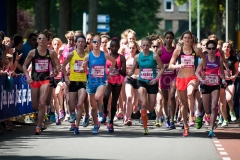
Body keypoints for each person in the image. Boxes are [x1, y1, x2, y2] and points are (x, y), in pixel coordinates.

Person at [169, 31, 206, 137]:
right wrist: (178, 65)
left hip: (192, 77)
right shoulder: (178, 50)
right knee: (183, 105)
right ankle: (185, 126)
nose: (187, 40)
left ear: (191, 39)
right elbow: (170, 65)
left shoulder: (195, 50)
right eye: (185, 38)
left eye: (189, 38)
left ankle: (191, 116)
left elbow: (203, 57)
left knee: (190, 93)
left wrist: (202, 70)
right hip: (181, 78)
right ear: (182, 39)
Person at [22, 31, 60, 135]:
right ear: (37, 41)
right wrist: (27, 76)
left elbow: (58, 65)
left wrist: (56, 71)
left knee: (42, 103)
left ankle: (38, 126)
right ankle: (42, 118)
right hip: (35, 80)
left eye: (44, 39)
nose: (41, 40)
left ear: (47, 41)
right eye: (39, 39)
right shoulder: (32, 53)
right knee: (35, 106)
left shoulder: (51, 53)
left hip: (46, 79)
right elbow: (25, 66)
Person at [126, 37, 164, 135]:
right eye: (144, 45)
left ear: (150, 46)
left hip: (152, 82)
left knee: (151, 108)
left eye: (147, 45)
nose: (146, 47)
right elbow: (132, 70)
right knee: (143, 103)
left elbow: (162, 68)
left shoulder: (154, 55)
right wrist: (127, 75)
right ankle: (145, 127)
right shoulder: (137, 57)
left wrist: (156, 79)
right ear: (141, 46)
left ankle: (150, 113)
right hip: (141, 81)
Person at [80, 35, 116, 134]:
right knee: (92, 107)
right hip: (91, 82)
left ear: (100, 43)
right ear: (92, 43)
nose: (96, 44)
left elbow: (113, 62)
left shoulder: (104, 55)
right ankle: (96, 125)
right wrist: (83, 68)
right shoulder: (88, 56)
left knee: (97, 97)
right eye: (94, 42)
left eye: (98, 42)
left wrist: (109, 73)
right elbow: (83, 68)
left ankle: (101, 110)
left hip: (102, 81)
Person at [195, 40, 226, 137]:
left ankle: (211, 129)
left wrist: (223, 80)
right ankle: (201, 114)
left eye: (213, 48)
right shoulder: (204, 59)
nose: (211, 50)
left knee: (214, 107)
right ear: (207, 49)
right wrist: (202, 80)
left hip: (215, 85)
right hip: (205, 85)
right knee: (207, 110)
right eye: (209, 48)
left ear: (216, 49)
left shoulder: (219, 59)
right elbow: (196, 73)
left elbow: (221, 72)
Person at [62, 36, 89, 134]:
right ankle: (72, 115)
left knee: (80, 103)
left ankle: (77, 126)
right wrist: (65, 77)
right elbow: (63, 66)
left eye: (82, 42)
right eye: (79, 42)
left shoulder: (87, 55)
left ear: (85, 44)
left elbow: (92, 66)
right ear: (76, 43)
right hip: (73, 81)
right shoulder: (71, 54)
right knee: (71, 104)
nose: (81, 44)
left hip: (83, 82)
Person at [102, 37, 126, 132]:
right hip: (108, 81)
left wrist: (118, 69)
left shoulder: (122, 58)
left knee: (114, 103)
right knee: (105, 96)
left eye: (116, 47)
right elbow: (102, 69)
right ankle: (104, 111)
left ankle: (111, 122)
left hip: (118, 82)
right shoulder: (106, 57)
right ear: (110, 47)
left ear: (119, 47)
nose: (114, 48)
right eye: (112, 46)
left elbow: (124, 73)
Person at [156, 31, 177, 129]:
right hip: (164, 76)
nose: (169, 40)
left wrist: (174, 66)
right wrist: (162, 66)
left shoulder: (175, 50)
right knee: (164, 99)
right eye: (167, 38)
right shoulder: (160, 51)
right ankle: (166, 117)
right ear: (165, 39)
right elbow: (154, 62)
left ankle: (172, 119)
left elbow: (180, 62)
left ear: (173, 39)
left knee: (172, 96)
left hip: (173, 76)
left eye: (170, 38)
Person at [219, 41, 239, 126]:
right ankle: (224, 119)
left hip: (230, 81)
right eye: (224, 46)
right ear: (222, 48)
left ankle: (231, 111)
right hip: (220, 81)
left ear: (230, 49)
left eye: (228, 47)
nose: (226, 48)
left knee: (229, 98)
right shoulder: (218, 58)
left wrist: (234, 76)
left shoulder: (233, 59)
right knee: (221, 102)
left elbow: (237, 70)